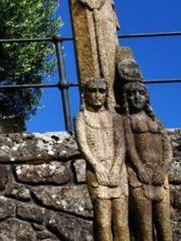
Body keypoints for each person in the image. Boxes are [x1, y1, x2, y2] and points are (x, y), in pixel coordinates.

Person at [75, 77, 129, 241]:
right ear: (85, 94)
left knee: (121, 223)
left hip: (118, 172)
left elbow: (121, 146)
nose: (97, 95)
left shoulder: (116, 118)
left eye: (101, 91)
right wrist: (98, 167)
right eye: (93, 90)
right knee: (103, 222)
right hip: (97, 172)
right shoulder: (81, 117)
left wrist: (115, 168)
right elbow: (83, 145)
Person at [123, 80, 173, 241]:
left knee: (165, 227)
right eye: (131, 94)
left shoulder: (157, 121)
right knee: (144, 229)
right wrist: (139, 168)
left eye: (141, 93)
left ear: (147, 97)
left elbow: (168, 148)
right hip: (139, 177)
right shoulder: (127, 121)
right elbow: (130, 148)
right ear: (126, 98)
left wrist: (163, 169)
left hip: (160, 177)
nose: (136, 97)